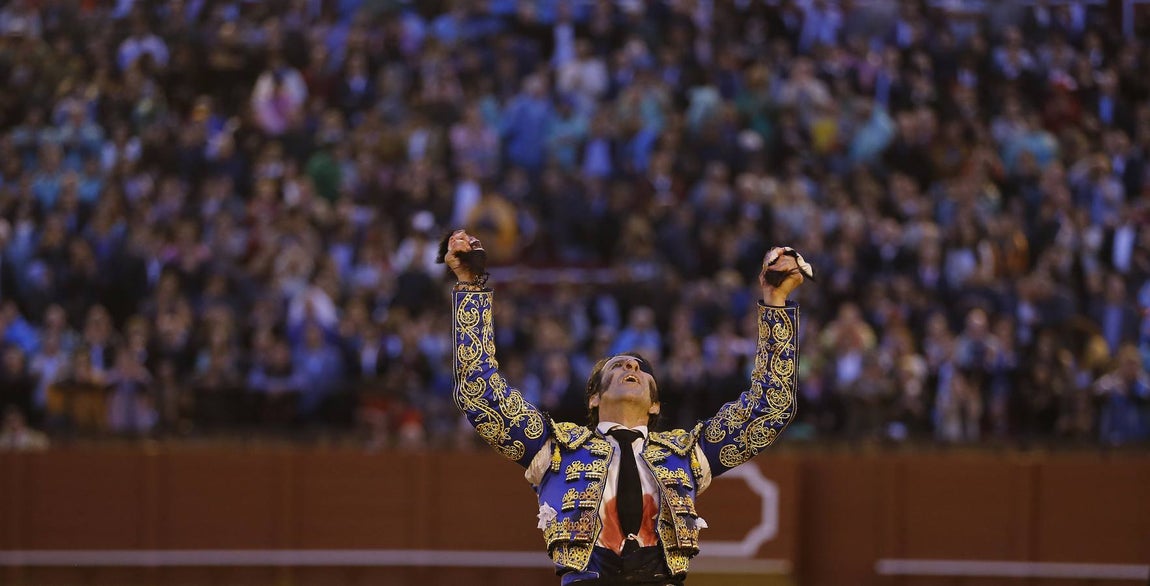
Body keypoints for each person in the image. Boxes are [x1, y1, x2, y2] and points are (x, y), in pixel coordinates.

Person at [445, 230, 807, 585]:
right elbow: (480, 394)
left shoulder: (685, 454)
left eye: (640, 368)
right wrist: (471, 286)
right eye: (618, 366)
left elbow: (769, 409)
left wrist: (775, 302)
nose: (631, 367)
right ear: (594, 398)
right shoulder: (556, 448)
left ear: (655, 404)